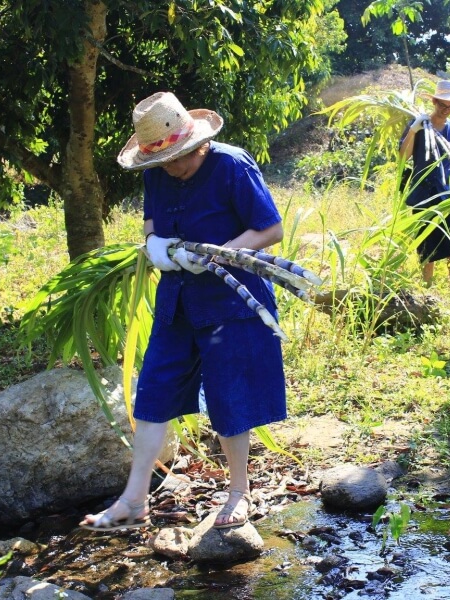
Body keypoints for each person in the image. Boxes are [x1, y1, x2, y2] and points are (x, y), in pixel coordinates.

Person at [80, 92, 286, 531]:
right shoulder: (157, 174)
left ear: (199, 145)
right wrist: (163, 251)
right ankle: (134, 500)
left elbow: (271, 228)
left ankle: (238, 493)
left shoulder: (231, 165)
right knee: (153, 393)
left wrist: (221, 254)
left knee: (231, 397)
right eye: (164, 162)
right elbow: (152, 227)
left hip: (231, 302)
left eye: (180, 159)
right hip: (177, 301)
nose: (172, 168)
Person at [399, 79, 450, 291]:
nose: (445, 110)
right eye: (442, 105)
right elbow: (403, 157)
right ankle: (426, 289)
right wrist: (413, 131)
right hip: (424, 196)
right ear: (433, 101)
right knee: (426, 245)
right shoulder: (419, 126)